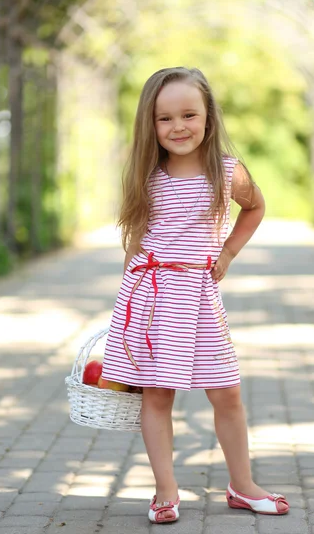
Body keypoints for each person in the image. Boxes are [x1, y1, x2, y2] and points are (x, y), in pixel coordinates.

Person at [101, 66, 290, 524]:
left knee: (226, 392)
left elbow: (256, 206)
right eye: (165, 118)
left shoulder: (226, 172)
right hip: (150, 299)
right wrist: (123, 309)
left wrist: (226, 252)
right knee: (157, 395)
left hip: (199, 299)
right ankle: (166, 491)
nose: (178, 126)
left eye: (189, 114)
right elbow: (135, 237)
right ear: (150, 123)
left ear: (208, 117)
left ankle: (242, 485)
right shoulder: (146, 175)